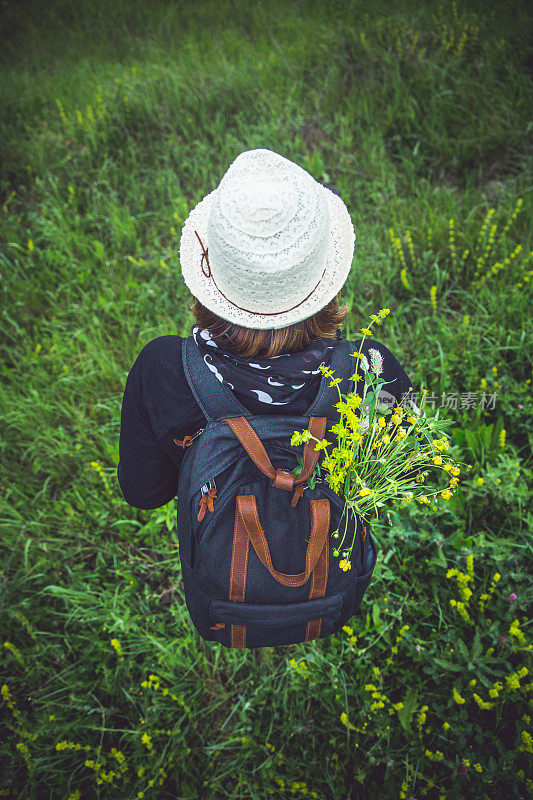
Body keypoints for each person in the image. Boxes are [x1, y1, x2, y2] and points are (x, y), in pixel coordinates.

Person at [117, 148, 416, 510]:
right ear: (322, 279)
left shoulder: (163, 368)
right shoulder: (368, 369)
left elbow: (144, 493)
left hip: (224, 561)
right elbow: (403, 470)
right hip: (332, 555)